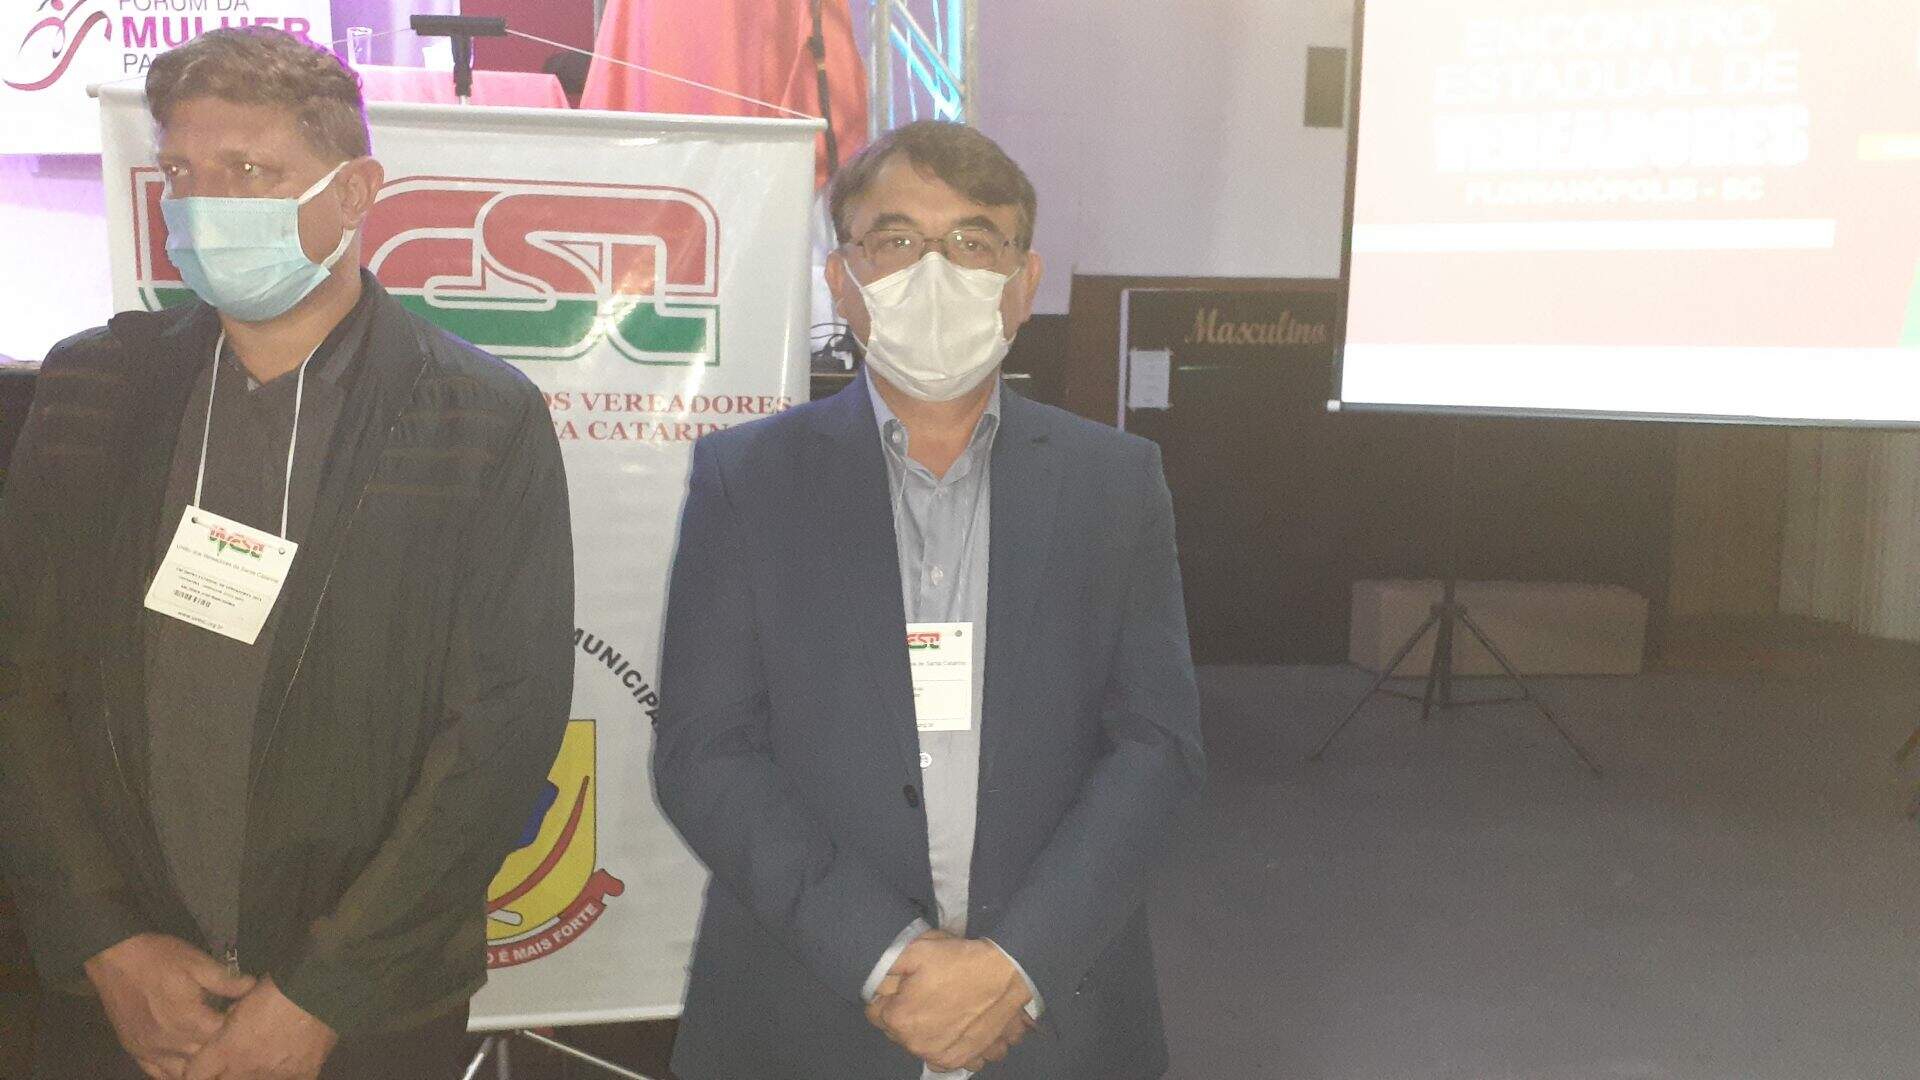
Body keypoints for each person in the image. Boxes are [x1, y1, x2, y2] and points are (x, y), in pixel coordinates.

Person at [0, 28, 574, 1080]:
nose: (203, 205)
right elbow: (19, 679)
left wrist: (322, 995)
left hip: (364, 1012)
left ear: (354, 193)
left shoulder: (478, 419)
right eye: (183, 172)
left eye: (249, 172)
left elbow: (502, 728)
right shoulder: (91, 388)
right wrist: (105, 940)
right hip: (119, 1002)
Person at [656, 119, 1205, 1079]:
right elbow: (707, 754)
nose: (935, 270)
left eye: (974, 241)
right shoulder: (749, 480)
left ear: (1024, 284)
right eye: (898, 239)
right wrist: (885, 958)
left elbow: (1156, 748)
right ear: (843, 280)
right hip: (806, 1008)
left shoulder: (1115, 482)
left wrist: (1015, 966)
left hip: (1057, 1016)